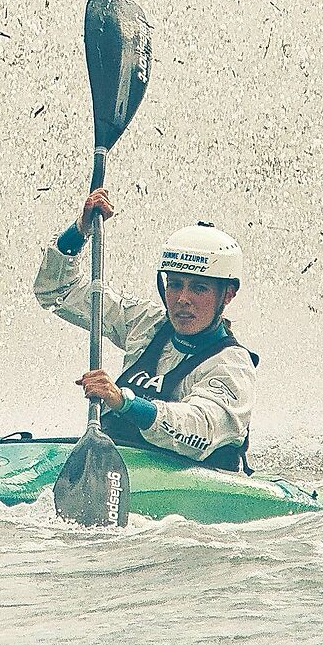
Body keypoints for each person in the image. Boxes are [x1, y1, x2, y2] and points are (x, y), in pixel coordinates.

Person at [34, 187, 256, 472]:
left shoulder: (232, 365)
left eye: (198, 288)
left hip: (193, 486)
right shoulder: (146, 323)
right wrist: (80, 231)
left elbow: (200, 430)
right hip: (123, 467)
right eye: (175, 284)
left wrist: (123, 401)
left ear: (227, 295)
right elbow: (56, 292)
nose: (182, 299)